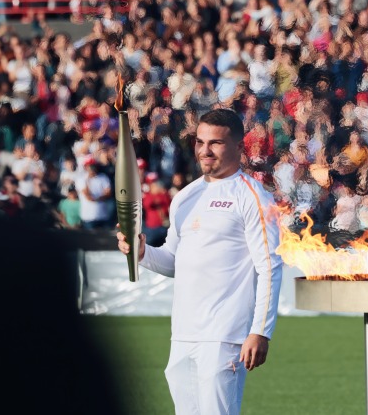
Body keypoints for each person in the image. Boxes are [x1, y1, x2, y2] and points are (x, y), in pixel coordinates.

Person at [116, 109, 282, 415]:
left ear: (238, 146)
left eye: (215, 143)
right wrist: (142, 254)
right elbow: (173, 261)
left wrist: (260, 331)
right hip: (182, 333)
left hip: (225, 336)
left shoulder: (253, 196)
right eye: (200, 142)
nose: (205, 150)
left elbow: (270, 267)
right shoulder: (185, 197)